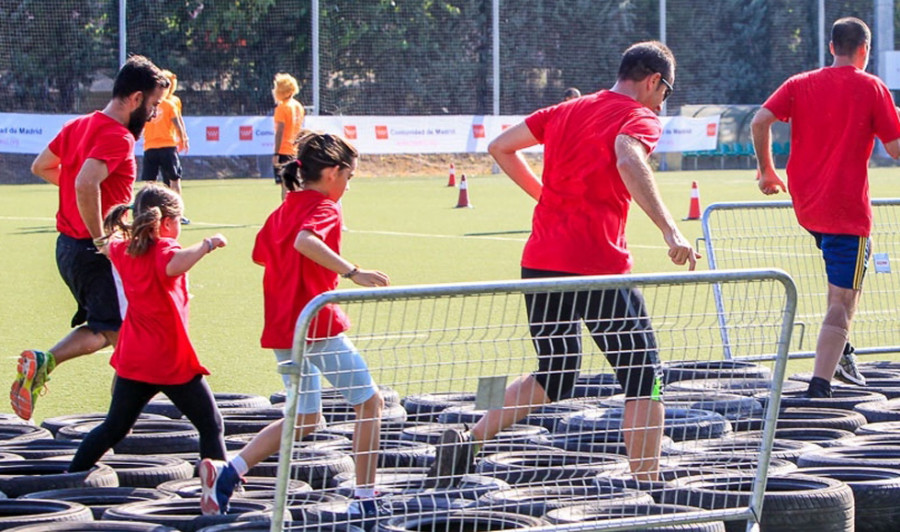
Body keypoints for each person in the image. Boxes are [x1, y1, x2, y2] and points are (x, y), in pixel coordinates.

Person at [426, 41, 699, 488]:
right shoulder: (638, 116)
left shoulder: (566, 110)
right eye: (665, 92)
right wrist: (671, 230)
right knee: (645, 376)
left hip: (540, 261)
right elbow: (629, 156)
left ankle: (469, 440)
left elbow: (500, 147)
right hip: (597, 265)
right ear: (653, 81)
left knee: (557, 371)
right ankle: (649, 490)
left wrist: (543, 196)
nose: (662, 103)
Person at [199, 131, 389, 518]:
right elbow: (305, 241)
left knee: (304, 418)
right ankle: (365, 498)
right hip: (316, 325)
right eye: (349, 177)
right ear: (333, 172)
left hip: (284, 327)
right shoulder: (323, 207)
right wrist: (352, 271)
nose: (348, 187)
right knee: (370, 403)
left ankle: (228, 472)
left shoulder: (283, 209)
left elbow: (262, 254)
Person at [11, 56, 169, 421]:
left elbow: (43, 167)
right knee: (132, 333)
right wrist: (101, 236)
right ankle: (121, 418)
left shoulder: (80, 124)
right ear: (135, 99)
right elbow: (85, 182)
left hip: (66, 247)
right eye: (152, 105)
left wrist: (82, 200)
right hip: (93, 250)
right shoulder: (116, 136)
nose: (153, 114)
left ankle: (54, 367)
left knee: (111, 328)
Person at [751, 17, 900, 398]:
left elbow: (760, 119)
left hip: (808, 206)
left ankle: (842, 346)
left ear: (832, 47)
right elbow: (895, 148)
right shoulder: (872, 87)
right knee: (843, 300)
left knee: (842, 282)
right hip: (846, 211)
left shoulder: (801, 83)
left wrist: (766, 170)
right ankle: (820, 385)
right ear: (864, 50)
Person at [67, 183, 227, 473]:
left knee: (114, 428)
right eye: (179, 221)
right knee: (211, 424)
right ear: (166, 223)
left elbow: (107, 243)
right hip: (168, 361)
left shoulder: (122, 249)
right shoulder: (165, 248)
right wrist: (208, 244)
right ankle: (219, 488)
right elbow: (173, 265)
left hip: (134, 360)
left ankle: (73, 473)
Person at [141, 69, 191, 224]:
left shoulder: (148, 101)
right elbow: (177, 122)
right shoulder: (169, 104)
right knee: (174, 180)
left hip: (151, 147)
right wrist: (183, 138)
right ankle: (177, 213)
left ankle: (146, 214)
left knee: (150, 183)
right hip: (167, 146)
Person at [272, 73, 306, 200]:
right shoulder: (298, 106)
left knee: (285, 186)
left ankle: (287, 214)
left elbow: (280, 131)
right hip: (295, 150)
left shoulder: (282, 108)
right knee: (295, 184)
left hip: (284, 150)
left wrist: (276, 154)